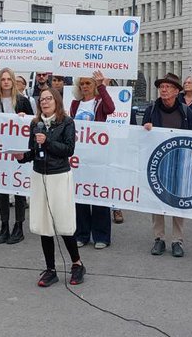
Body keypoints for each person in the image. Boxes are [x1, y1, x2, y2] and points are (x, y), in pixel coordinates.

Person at [13, 87, 86, 287]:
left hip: (59, 176)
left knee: (63, 223)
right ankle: (50, 269)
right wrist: (22, 157)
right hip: (40, 176)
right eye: (42, 100)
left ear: (56, 101)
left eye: (48, 99)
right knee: (45, 224)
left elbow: (68, 150)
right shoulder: (35, 123)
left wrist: (47, 142)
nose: (44, 102)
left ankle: (77, 263)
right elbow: (33, 151)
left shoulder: (67, 122)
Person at [143, 72, 192, 257]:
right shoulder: (151, 110)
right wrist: (146, 129)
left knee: (178, 200)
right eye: (161, 87)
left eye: (168, 87)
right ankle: (158, 239)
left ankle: (177, 240)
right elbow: (142, 137)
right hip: (157, 164)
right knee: (157, 199)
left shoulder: (185, 111)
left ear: (176, 92)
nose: (163, 90)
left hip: (179, 162)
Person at [0, 66, 33, 245]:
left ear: (13, 81)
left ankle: (19, 226)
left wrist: (24, 117)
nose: (5, 82)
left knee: (18, 189)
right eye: (2, 79)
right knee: (2, 190)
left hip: (18, 152)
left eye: (8, 79)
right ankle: (4, 225)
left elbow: (33, 123)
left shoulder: (22, 101)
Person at [67, 70, 116, 249]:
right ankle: (82, 234)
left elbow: (111, 109)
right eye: (83, 83)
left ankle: (101, 236)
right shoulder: (74, 104)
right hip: (80, 155)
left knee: (98, 194)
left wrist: (102, 86)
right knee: (80, 194)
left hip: (98, 154)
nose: (85, 86)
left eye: (88, 83)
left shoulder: (99, 102)